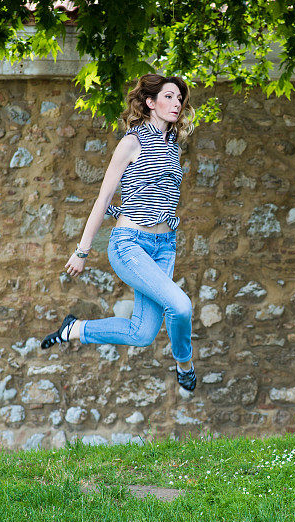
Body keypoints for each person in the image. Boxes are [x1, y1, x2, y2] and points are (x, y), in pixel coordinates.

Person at [40, 74, 196, 395]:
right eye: (169, 97)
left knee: (141, 333)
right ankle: (184, 364)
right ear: (150, 103)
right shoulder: (131, 142)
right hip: (130, 245)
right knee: (180, 307)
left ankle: (75, 329)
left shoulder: (173, 147)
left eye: (179, 98)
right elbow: (103, 199)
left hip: (164, 246)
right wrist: (82, 251)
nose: (176, 103)